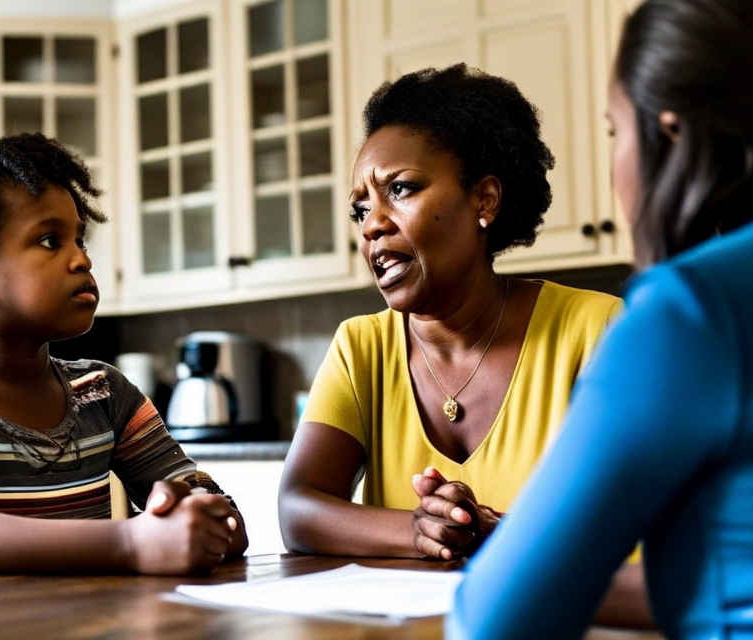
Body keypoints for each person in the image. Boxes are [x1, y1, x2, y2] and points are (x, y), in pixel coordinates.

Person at [448, 0, 753, 637]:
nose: (617, 161)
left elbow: (492, 620)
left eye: (615, 131)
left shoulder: (694, 313)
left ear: (671, 133)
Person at [278, 64, 651, 625]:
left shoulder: (596, 331)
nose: (371, 225)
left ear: (485, 201)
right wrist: (415, 529)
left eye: (399, 189)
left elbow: (625, 524)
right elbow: (298, 507)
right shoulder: (361, 347)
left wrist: (502, 535)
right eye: (360, 208)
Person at [0, 133, 248, 575]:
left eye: (80, 240)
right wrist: (128, 542)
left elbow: (227, 518)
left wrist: (189, 511)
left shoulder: (104, 394)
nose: (81, 260)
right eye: (50, 241)